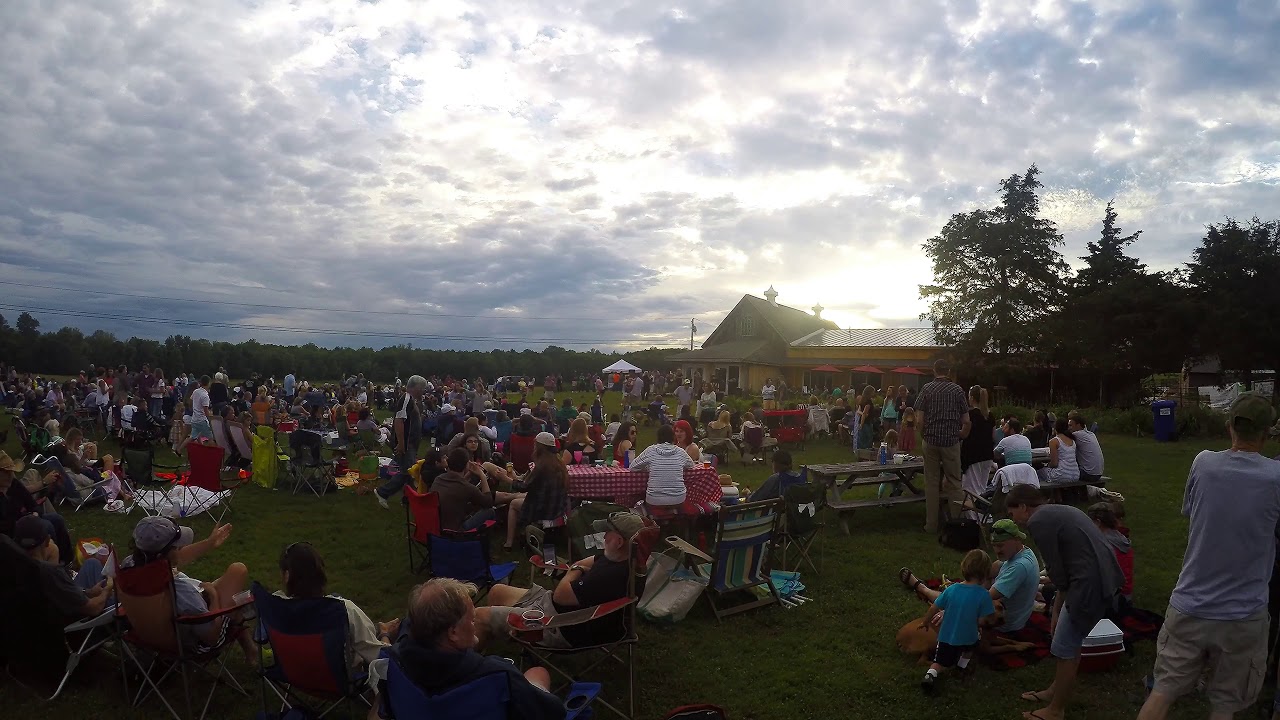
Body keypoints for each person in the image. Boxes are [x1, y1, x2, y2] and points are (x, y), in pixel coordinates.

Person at [1137, 393, 1280, 720]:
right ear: (1266, 433)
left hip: (1189, 605)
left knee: (1162, 691)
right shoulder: (1276, 477)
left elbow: (1191, 510)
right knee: (1225, 706)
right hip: (1244, 615)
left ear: (1230, 426)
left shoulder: (1203, 462)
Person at [1005, 484, 1123, 720]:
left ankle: (1055, 710)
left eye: (1012, 513)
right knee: (1071, 641)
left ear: (1024, 507)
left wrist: (1058, 607)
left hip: (1089, 584)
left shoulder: (1038, 522)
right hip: (1101, 576)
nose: (1013, 520)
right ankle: (1054, 691)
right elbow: (1065, 569)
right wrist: (1058, 606)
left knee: (1064, 646)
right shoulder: (1058, 510)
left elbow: (1057, 571)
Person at [385, 578, 562, 717]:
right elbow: (553, 712)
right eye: (471, 619)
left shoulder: (396, 661)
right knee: (538, 673)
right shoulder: (497, 675)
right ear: (453, 632)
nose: (476, 619)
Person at [478, 511, 648, 651]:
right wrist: (577, 570)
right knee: (497, 591)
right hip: (553, 606)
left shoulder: (609, 575)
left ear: (619, 542)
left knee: (479, 615)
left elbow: (561, 594)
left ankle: (473, 666)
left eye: (607, 534)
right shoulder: (620, 558)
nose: (603, 538)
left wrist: (576, 571)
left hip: (560, 624)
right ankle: (494, 648)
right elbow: (579, 565)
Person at [122, 517, 257, 661]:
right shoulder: (179, 589)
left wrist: (210, 543)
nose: (180, 549)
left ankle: (251, 649)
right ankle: (250, 646)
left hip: (146, 635)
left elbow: (177, 557)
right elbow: (211, 637)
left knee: (230, 581)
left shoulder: (128, 567)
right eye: (177, 547)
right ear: (165, 555)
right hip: (190, 644)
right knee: (238, 578)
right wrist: (213, 596)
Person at [901, 518, 1042, 637]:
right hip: (1004, 611)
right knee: (964, 588)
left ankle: (921, 587)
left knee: (953, 596)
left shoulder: (1018, 567)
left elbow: (979, 599)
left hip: (1000, 622)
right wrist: (966, 584)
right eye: (994, 546)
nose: (997, 550)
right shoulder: (1022, 552)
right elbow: (988, 572)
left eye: (1000, 545)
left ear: (1016, 539)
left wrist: (951, 609)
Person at [274, 542, 398, 671]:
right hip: (336, 679)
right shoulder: (343, 610)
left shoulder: (276, 606)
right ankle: (380, 631)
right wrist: (385, 635)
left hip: (297, 673)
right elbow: (383, 660)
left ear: (287, 576)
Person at [920, 548, 995, 694]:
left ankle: (930, 675)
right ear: (986, 573)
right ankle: (961, 667)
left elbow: (935, 607)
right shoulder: (984, 595)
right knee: (969, 650)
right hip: (968, 637)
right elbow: (986, 618)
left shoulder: (952, 589)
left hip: (946, 637)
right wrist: (987, 621)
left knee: (939, 661)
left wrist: (926, 621)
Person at [14, 515, 115, 618]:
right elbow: (93, 608)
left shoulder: (13, 564)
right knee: (114, 594)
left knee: (92, 563)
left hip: (43, 613)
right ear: (47, 540)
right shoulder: (49, 573)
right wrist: (107, 591)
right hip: (72, 618)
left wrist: (88, 592)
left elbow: (64, 592)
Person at [915, 360, 971, 536]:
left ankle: (931, 525)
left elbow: (919, 420)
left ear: (934, 371)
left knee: (931, 483)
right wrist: (961, 435)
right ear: (948, 371)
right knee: (955, 483)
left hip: (930, 441)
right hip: (950, 442)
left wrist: (923, 434)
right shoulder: (958, 390)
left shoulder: (926, 389)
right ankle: (956, 524)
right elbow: (967, 421)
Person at [0, 451, 73, 563]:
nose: (11, 475)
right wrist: (27, 521)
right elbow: (5, 528)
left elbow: (32, 505)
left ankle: (67, 561)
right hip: (11, 536)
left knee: (57, 519)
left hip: (27, 522)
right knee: (47, 526)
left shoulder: (14, 485)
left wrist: (35, 514)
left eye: (11, 471)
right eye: (6, 472)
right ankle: (49, 566)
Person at [504, 433, 570, 550]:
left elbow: (524, 487)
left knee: (514, 504)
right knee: (518, 498)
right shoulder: (559, 464)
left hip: (543, 509)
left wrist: (507, 479)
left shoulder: (541, 467)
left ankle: (509, 542)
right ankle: (522, 533)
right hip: (557, 507)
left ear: (539, 447)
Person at [377, 375, 426, 509]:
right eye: (422, 388)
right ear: (416, 387)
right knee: (408, 472)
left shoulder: (411, 400)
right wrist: (402, 443)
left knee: (409, 472)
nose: (423, 391)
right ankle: (383, 492)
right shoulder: (406, 399)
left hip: (410, 443)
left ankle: (408, 500)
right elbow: (399, 421)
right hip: (406, 444)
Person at [631, 424, 694, 512]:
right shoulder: (680, 452)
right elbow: (691, 465)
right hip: (678, 498)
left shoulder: (651, 450)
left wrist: (648, 467)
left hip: (654, 499)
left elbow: (633, 466)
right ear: (673, 437)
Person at [1087, 503, 1133, 610]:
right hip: (1125, 594)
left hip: (1114, 598)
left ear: (1098, 522)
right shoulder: (1120, 538)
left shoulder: (1103, 544)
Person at [959, 386, 995, 502]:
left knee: (971, 489)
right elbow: (993, 436)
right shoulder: (990, 416)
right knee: (982, 488)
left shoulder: (971, 415)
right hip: (987, 455)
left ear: (972, 398)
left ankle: (974, 516)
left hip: (973, 455)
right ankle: (984, 514)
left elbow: (965, 433)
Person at [1067, 412, 1105, 484]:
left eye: (1071, 425)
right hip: (1098, 473)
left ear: (1078, 425)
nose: (1069, 428)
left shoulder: (1077, 434)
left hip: (1088, 474)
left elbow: (1062, 440)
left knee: (1063, 473)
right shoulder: (1091, 434)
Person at [1040, 417, 1080, 484]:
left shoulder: (1054, 441)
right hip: (1075, 474)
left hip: (1062, 474)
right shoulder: (1072, 441)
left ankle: (1045, 493)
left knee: (1039, 472)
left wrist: (1047, 465)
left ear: (1056, 428)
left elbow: (1054, 463)